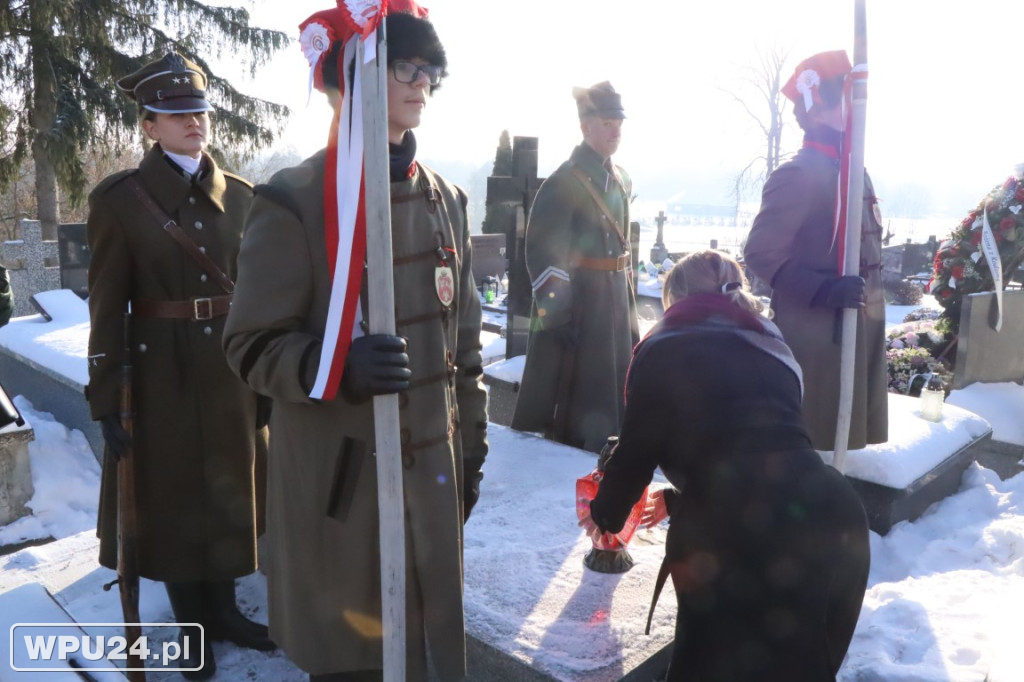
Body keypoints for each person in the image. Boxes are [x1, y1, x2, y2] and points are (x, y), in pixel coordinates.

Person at [222, 5, 488, 681]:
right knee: (357, 662)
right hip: (346, 486)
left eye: (429, 69)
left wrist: (473, 449)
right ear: (353, 76)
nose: (422, 81)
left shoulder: (446, 199)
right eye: (405, 65)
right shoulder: (295, 200)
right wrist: (331, 366)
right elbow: (250, 345)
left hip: (432, 479)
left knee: (429, 656)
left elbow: (466, 347)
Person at [582, 250, 870, 682]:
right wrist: (682, 497)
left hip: (735, 534)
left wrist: (605, 513)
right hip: (835, 512)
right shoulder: (770, 342)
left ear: (674, 298)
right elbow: (764, 447)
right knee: (803, 667)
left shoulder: (665, 345)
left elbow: (637, 451)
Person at [85, 52, 273, 679]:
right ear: (149, 126)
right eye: (175, 113)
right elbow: (108, 307)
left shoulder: (243, 198)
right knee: (175, 499)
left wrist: (268, 371)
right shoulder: (120, 201)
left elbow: (258, 291)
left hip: (231, 369)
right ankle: (191, 622)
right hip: (158, 371)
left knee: (229, 493)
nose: (192, 121)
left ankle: (224, 611)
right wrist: (106, 396)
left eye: (198, 110)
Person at [743, 50, 888, 451]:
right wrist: (822, 290)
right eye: (848, 95)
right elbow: (761, 252)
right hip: (817, 329)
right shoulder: (800, 174)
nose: (858, 107)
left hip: (853, 324)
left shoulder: (853, 168)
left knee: (839, 438)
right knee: (806, 437)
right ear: (820, 109)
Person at [511, 81, 638, 453]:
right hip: (583, 303)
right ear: (585, 126)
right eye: (606, 123)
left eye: (618, 123)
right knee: (582, 390)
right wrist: (557, 315)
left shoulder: (620, 178)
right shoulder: (564, 181)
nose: (615, 131)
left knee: (618, 383)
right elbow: (544, 252)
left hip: (615, 298)